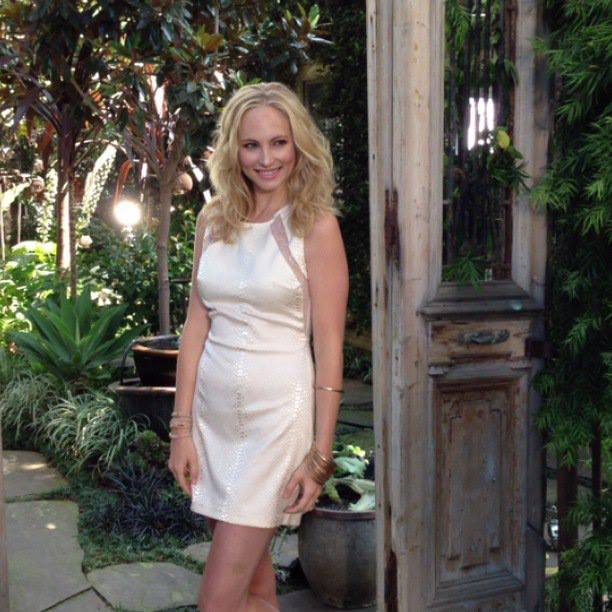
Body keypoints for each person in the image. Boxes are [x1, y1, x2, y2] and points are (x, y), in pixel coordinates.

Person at [167, 81, 349, 612]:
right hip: (213, 422)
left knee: (217, 601)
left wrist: (320, 455)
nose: (266, 159)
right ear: (234, 149)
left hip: (275, 425)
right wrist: (181, 428)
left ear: (298, 146)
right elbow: (195, 327)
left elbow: (330, 348)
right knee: (255, 590)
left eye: (278, 143)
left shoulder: (315, 225)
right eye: (252, 145)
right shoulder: (213, 219)